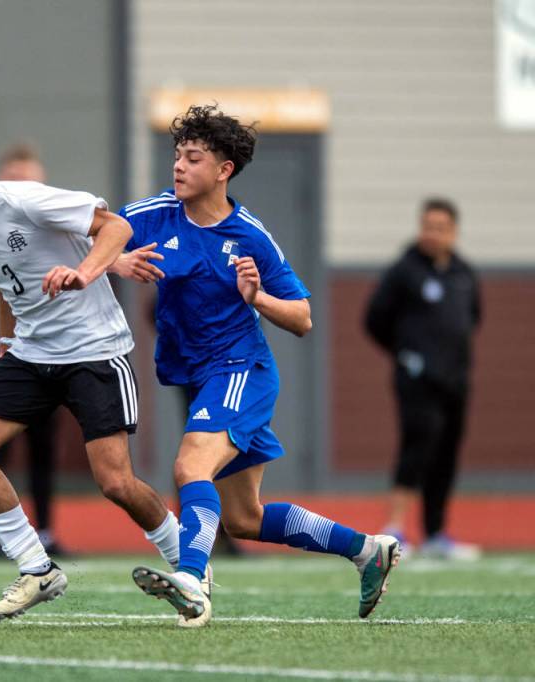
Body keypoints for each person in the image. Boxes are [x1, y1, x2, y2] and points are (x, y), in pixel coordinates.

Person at [113, 104, 400, 627]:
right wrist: (116, 260)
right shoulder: (153, 213)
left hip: (241, 368)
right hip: (200, 375)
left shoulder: (251, 237)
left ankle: (192, 581)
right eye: (177, 155)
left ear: (224, 170)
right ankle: (366, 551)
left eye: (193, 158)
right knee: (244, 517)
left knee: (189, 468)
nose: (178, 166)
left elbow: (304, 318)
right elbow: (97, 232)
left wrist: (258, 297)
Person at [0, 109, 180, 621]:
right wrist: (8, 342)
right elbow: (4, 286)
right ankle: (37, 568)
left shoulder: (24, 199)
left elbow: (115, 227)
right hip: (30, 354)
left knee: (115, 482)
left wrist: (86, 272)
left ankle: (188, 561)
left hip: (94, 349)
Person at [365, 198, 481, 560]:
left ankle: (435, 533)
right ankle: (396, 528)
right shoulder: (405, 270)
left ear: (454, 231)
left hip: (456, 380)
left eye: (440, 227)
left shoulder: (464, 273)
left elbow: (473, 319)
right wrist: (406, 355)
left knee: (446, 454)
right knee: (417, 446)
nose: (432, 234)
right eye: (427, 226)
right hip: (417, 379)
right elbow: (374, 319)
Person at [0, 143, 69, 557]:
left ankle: (46, 530)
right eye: (13, 180)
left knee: (44, 442)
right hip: (2, 347)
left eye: (28, 181)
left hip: (54, 347)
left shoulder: (55, 228)